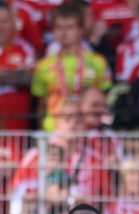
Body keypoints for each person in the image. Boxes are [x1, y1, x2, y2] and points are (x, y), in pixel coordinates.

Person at [31, 1, 112, 132]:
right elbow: (40, 106)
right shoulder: (43, 65)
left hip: (87, 133)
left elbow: (105, 101)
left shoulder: (97, 62)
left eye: (69, 27)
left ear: (80, 29)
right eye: (59, 27)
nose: (64, 33)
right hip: (53, 132)